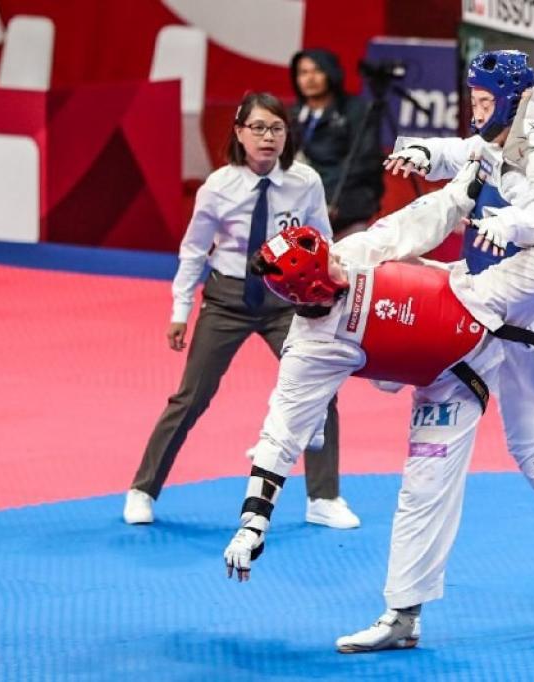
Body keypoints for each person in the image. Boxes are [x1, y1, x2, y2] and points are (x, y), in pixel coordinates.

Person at [222, 85, 534, 652]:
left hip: (505, 315)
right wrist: (252, 523)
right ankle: (403, 615)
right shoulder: (311, 352)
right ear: (310, 291)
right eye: (328, 268)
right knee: (422, 488)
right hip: (449, 380)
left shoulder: (353, 252)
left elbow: (425, 217)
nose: (338, 261)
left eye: (330, 252)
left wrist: (463, 182)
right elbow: (280, 434)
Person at [384, 50, 534, 619]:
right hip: (478, 305)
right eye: (473, 99)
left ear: (512, 103)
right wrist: (422, 152)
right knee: (438, 438)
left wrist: (509, 224)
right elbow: (463, 153)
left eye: (485, 101)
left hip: (527, 319)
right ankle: (405, 606)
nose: (476, 110)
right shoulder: (494, 143)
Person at [123, 92, 360, 530]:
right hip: (227, 299)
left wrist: (332, 298)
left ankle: (324, 497)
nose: (267, 137)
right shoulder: (218, 187)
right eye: (258, 128)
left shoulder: (305, 181)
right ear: (239, 133)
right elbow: (193, 250)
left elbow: (324, 241)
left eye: (276, 128)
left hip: (287, 302)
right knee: (191, 396)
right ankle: (143, 489)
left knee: (318, 392)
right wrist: (180, 310)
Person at [289, 48, 385, 240]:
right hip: (301, 213)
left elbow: (365, 161)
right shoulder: (293, 115)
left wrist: (327, 198)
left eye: (317, 71)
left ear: (331, 73)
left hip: (346, 211)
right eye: (303, 72)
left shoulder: (358, 111)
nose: (310, 78)